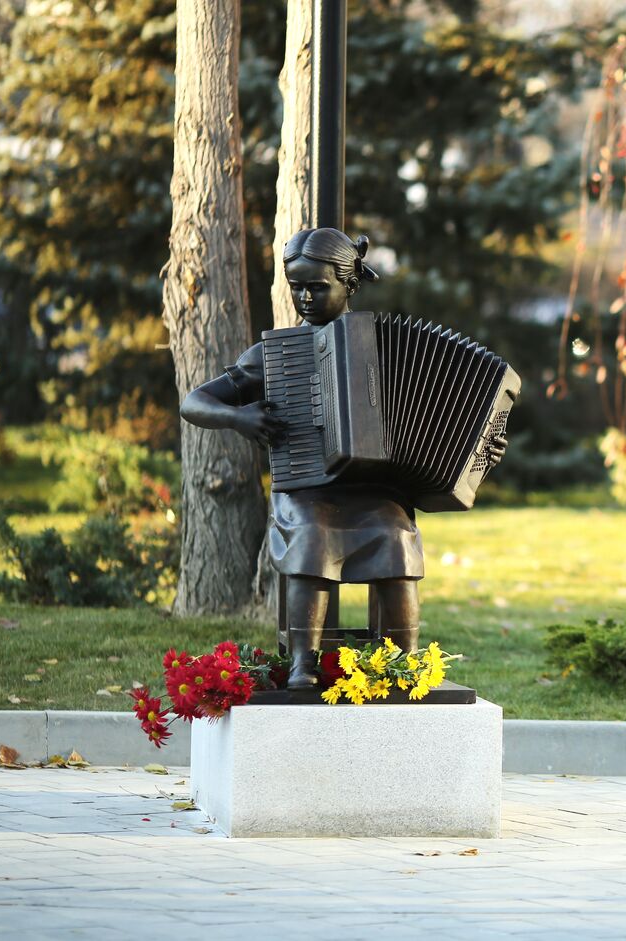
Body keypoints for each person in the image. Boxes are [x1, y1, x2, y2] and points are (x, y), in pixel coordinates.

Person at [179, 228, 506, 688]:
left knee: (396, 535)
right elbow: (194, 402)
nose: (305, 297)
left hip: (374, 492)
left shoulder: (376, 344)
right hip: (306, 489)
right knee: (313, 535)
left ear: (349, 285)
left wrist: (485, 448)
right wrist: (240, 418)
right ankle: (302, 664)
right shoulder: (275, 355)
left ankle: (403, 663)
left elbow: (466, 422)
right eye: (297, 287)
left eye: (318, 286)